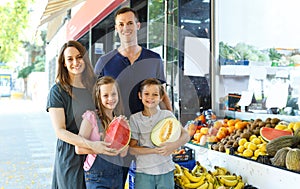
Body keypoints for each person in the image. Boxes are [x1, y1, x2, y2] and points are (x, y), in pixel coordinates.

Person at [94, 7, 173, 185]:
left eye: (130, 23)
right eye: (121, 24)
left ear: (138, 26)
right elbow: (97, 98)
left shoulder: (154, 58)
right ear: (116, 29)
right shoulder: (104, 61)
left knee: (148, 181)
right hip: (118, 133)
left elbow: (162, 93)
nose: (125, 27)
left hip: (148, 133)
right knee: (118, 181)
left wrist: (173, 122)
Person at [46, 40, 106, 189]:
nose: (75, 62)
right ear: (64, 63)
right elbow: (60, 131)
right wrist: (91, 145)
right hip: (71, 155)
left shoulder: (96, 85)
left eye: (79, 57)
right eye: (70, 59)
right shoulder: (57, 91)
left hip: (96, 154)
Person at [129, 78, 190, 189]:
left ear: (161, 97)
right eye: (146, 94)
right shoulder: (134, 119)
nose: (150, 98)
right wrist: (154, 150)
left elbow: (186, 135)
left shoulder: (167, 115)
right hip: (143, 172)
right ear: (140, 95)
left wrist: (173, 145)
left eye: (155, 94)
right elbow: (132, 148)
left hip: (165, 171)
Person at [74, 76, 128, 189]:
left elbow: (123, 153)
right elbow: (78, 149)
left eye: (113, 94)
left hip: (117, 174)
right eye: (105, 95)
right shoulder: (91, 117)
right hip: (97, 177)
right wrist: (101, 149)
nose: (111, 98)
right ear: (99, 97)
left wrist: (125, 131)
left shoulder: (120, 119)